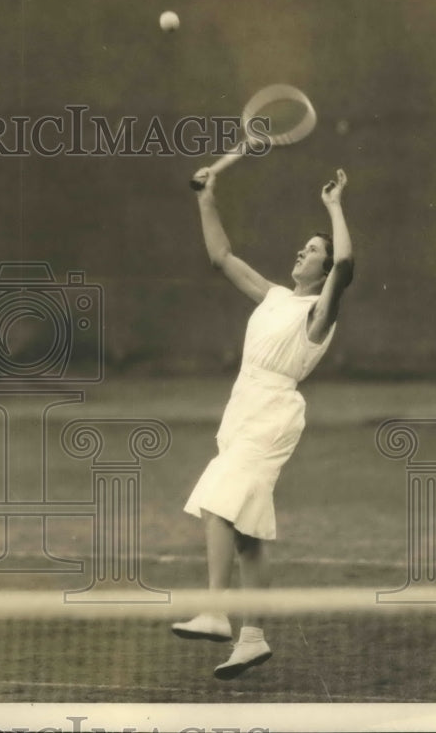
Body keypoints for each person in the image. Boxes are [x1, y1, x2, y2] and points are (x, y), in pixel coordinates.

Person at [171, 167, 354, 680]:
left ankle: (214, 610)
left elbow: (347, 261)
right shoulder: (275, 296)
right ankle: (253, 637)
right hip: (243, 408)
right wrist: (207, 198)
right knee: (247, 531)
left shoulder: (320, 312)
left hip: (273, 413)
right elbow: (222, 257)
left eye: (312, 250)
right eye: (304, 247)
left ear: (323, 272)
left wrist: (335, 207)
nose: (303, 253)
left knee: (217, 500)